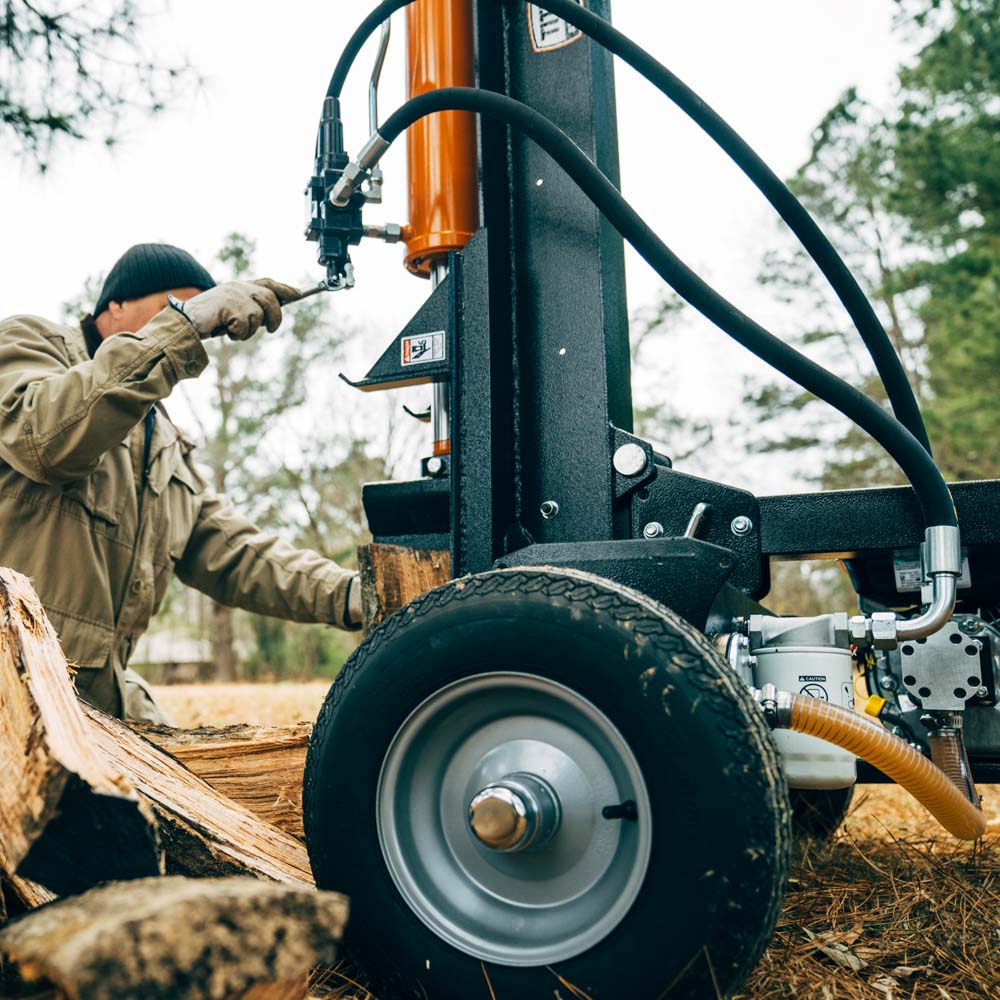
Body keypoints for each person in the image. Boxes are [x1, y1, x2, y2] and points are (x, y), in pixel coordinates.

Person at [0, 243, 362, 724]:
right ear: (115, 306)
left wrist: (351, 595)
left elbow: (238, 555)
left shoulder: (165, 447)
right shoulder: (33, 344)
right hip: (12, 696)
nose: (201, 327)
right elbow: (44, 437)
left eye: (203, 314)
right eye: (178, 307)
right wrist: (185, 325)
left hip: (85, 713)